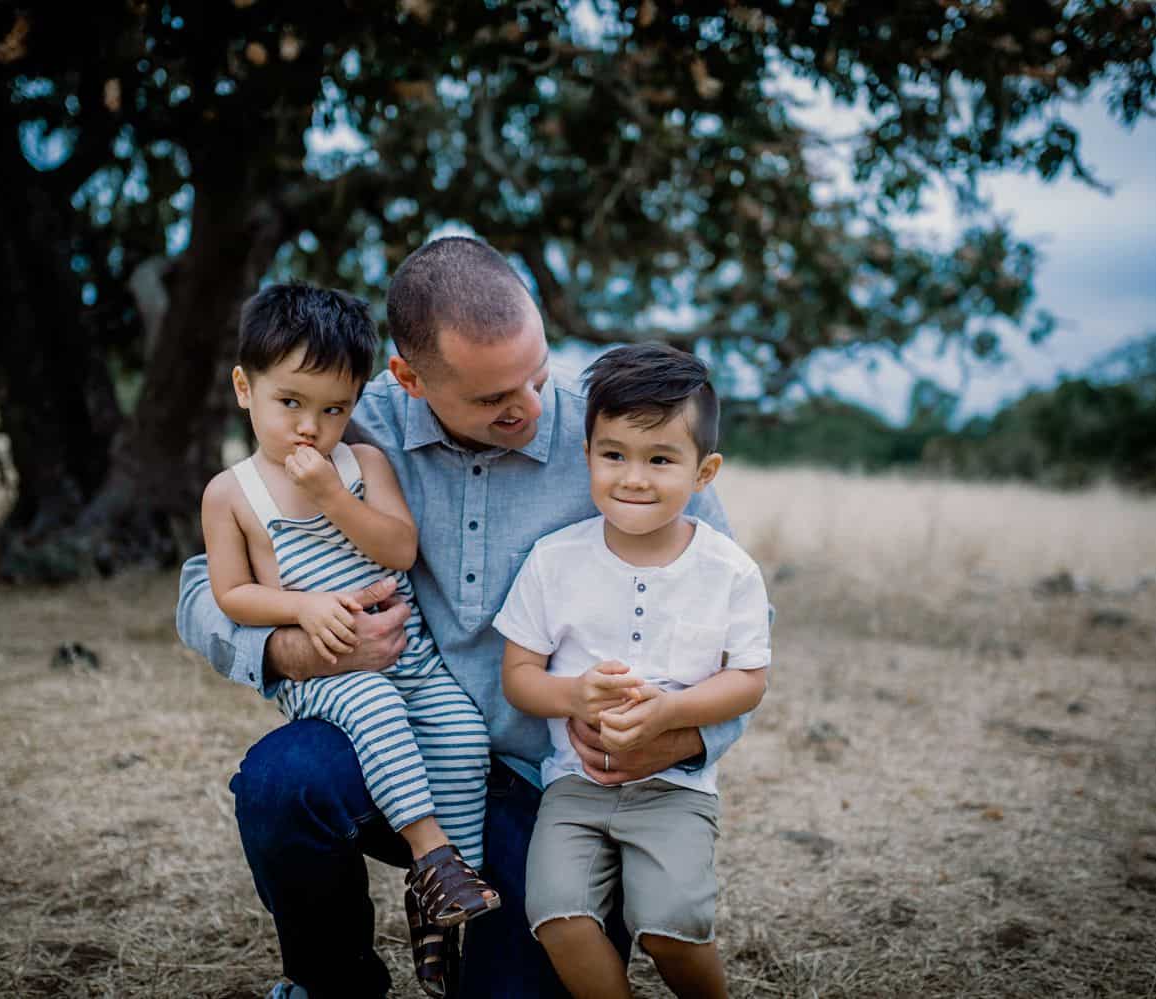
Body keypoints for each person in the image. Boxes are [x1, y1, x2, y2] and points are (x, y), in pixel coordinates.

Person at [175, 237, 750, 998]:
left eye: (537, 375)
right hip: (395, 739)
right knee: (284, 783)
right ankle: (333, 983)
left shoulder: (621, 443)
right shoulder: (349, 420)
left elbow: (737, 616)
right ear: (409, 379)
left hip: (546, 782)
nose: (530, 407)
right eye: (491, 398)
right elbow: (198, 589)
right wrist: (291, 646)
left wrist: (676, 736)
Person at [199, 282, 499, 996]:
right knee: (374, 707)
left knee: (461, 735)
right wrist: (302, 610)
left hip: (415, 660)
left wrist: (337, 497)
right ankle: (430, 853)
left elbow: (397, 548)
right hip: (333, 677)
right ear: (246, 389)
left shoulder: (363, 468)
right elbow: (230, 593)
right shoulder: (233, 492)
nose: (311, 427)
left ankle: (441, 907)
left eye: (334, 409)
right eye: (291, 404)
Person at [495, 344, 770, 999]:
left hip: (676, 787)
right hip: (572, 786)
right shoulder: (554, 560)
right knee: (556, 915)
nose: (634, 478)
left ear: (705, 472)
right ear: (586, 453)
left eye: (661, 459)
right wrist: (573, 694)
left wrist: (671, 712)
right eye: (613, 453)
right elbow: (518, 674)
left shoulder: (729, 571)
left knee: (672, 922)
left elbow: (749, 679)